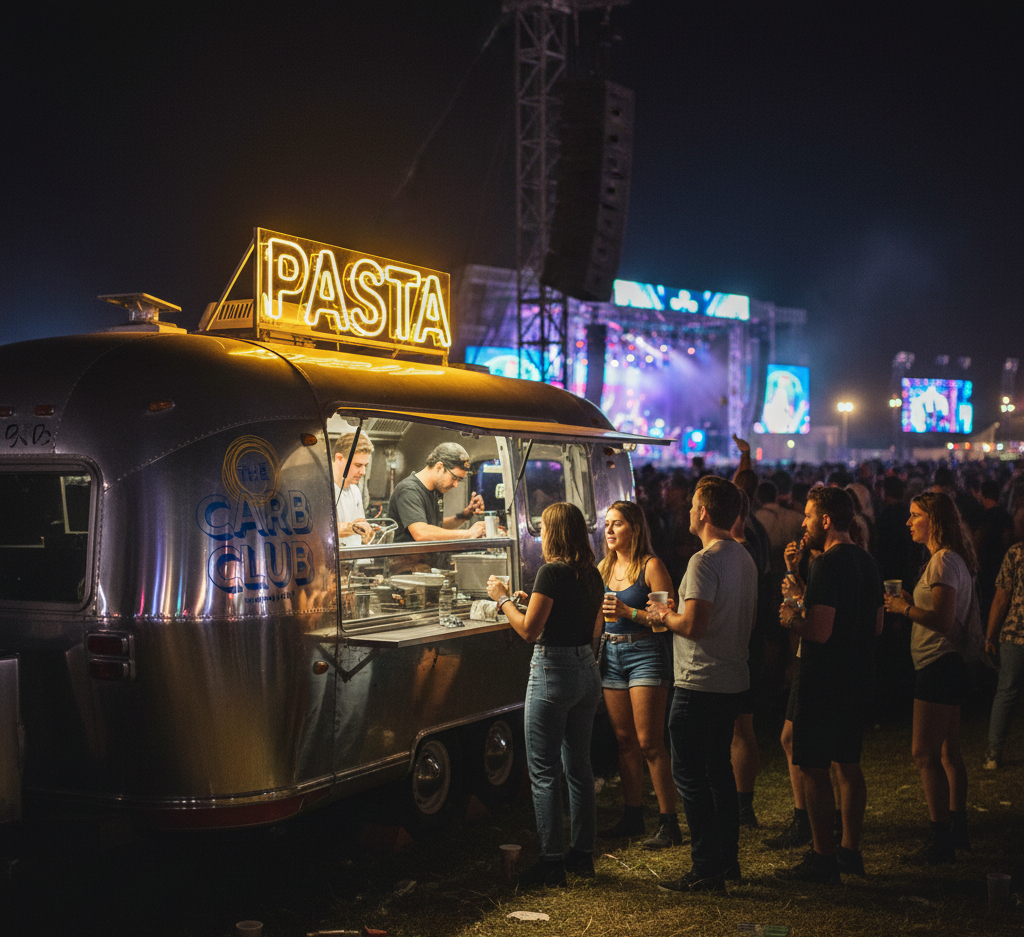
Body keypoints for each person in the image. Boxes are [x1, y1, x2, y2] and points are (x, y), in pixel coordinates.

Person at [646, 475, 757, 894]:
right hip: (732, 678)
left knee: (690, 774)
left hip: (700, 681)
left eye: (693, 505)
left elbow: (693, 625)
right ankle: (727, 860)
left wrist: (663, 618)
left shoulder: (703, 561)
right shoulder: (742, 557)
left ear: (704, 512)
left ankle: (706, 866)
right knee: (718, 772)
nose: (689, 511)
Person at [486, 502, 605, 887]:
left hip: (553, 671)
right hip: (586, 668)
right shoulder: (591, 573)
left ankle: (552, 862)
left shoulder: (550, 572)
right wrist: (529, 603)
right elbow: (585, 623)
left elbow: (528, 632)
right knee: (580, 766)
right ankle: (583, 855)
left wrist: (503, 599)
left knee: (543, 771)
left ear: (552, 533)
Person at [774, 487, 883, 884]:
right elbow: (877, 625)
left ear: (825, 520)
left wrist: (790, 620)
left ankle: (822, 856)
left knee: (814, 767)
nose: (802, 523)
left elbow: (818, 631)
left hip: (823, 679)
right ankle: (850, 851)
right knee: (848, 765)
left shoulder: (827, 565)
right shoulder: (868, 562)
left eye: (807, 516)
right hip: (859, 674)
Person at [884, 491, 977, 863]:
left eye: (915, 515)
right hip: (948, 664)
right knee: (948, 752)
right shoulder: (949, 560)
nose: (908, 522)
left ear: (933, 520)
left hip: (939, 664)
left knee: (923, 753)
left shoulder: (942, 562)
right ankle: (958, 827)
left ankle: (940, 840)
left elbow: (941, 619)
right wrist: (913, 601)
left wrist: (905, 608)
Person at [597, 500, 681, 849]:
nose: (610, 530)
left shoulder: (651, 566)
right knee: (624, 740)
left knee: (650, 742)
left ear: (634, 527)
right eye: (607, 524)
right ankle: (632, 814)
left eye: (617, 523)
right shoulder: (603, 567)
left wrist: (629, 610)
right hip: (611, 653)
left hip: (646, 653)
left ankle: (669, 821)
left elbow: (666, 621)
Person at [390, 442, 486, 543]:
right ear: (439, 467)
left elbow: (436, 528)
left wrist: (463, 516)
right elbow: (421, 533)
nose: (455, 485)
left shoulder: (435, 491)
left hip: (429, 558)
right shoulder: (409, 490)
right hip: (406, 558)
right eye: (454, 478)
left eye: (459, 480)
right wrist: (469, 534)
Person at [983, 528, 1024, 770]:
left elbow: (1002, 597)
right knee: (1006, 693)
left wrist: (990, 635)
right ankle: (993, 752)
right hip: (1015, 634)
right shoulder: (1015, 553)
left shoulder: (1016, 553)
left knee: (1006, 692)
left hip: (1014, 632)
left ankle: (993, 754)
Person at [333, 431, 376, 546]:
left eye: (365, 466)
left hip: (353, 560)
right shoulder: (322, 490)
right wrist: (352, 527)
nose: (363, 472)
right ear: (339, 458)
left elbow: (360, 525)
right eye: (358, 465)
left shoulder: (355, 491)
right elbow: (322, 531)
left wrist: (367, 534)